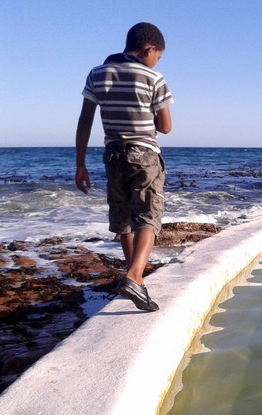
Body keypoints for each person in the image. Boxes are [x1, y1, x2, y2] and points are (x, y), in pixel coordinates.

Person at [75, 22, 173, 312]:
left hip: (113, 154)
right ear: (149, 49)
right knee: (148, 216)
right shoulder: (153, 78)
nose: (157, 61)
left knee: (123, 219)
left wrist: (80, 164)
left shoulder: (97, 74)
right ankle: (133, 276)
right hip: (144, 154)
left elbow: (85, 120)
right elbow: (166, 127)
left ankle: (136, 280)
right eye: (158, 56)